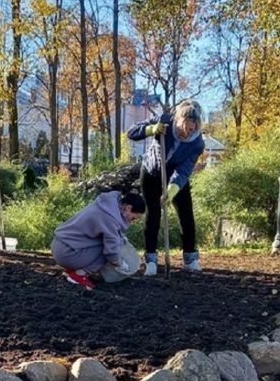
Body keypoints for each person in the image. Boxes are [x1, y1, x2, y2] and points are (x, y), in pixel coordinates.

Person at [127, 100, 205, 275]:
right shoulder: (164, 120)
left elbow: (184, 170)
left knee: (186, 214)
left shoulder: (197, 144)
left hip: (175, 177)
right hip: (152, 172)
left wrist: (172, 190)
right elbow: (131, 133)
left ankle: (190, 259)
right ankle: (151, 260)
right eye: (184, 127)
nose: (186, 132)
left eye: (191, 129)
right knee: (153, 214)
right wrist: (152, 129)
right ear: (177, 119)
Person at [51, 192, 146, 290]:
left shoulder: (106, 206)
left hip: (59, 246)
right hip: (67, 253)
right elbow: (111, 252)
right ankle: (79, 274)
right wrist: (120, 264)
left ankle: (71, 269)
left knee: (111, 243)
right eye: (134, 218)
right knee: (109, 250)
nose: (132, 221)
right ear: (128, 208)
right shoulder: (110, 219)